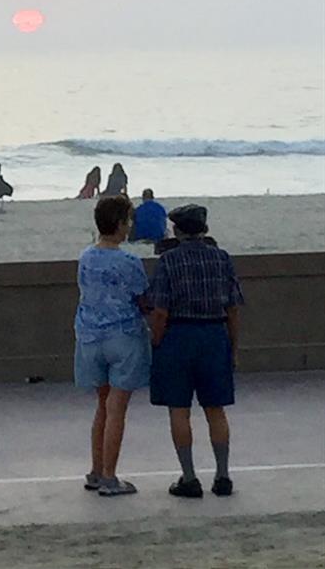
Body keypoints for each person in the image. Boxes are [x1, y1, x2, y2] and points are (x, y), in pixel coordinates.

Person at [149, 204, 244, 498]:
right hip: (214, 335)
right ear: (204, 229)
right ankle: (223, 475)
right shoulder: (222, 258)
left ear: (177, 230)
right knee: (216, 409)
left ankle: (189, 478)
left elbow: (160, 310)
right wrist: (233, 346)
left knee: (179, 409)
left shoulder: (169, 261)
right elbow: (233, 308)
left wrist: (156, 342)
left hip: (178, 336)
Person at [74, 195, 151, 496]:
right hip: (123, 336)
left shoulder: (86, 256)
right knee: (117, 408)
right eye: (128, 221)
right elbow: (143, 299)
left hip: (90, 336)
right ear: (120, 224)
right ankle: (109, 476)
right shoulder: (129, 262)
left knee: (102, 406)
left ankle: (96, 470)